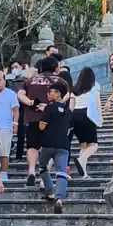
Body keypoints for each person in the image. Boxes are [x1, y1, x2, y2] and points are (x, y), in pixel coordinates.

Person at [33, 72, 73, 213]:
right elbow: (69, 129)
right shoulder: (68, 111)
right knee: (61, 172)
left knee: (43, 167)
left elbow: (42, 126)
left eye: (51, 92)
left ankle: (50, 192)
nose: (48, 94)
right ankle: (60, 198)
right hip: (63, 145)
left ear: (58, 94)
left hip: (48, 144)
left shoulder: (49, 107)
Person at [70, 66, 102, 179]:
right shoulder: (95, 85)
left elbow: (71, 106)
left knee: (83, 145)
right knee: (93, 145)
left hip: (75, 116)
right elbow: (97, 102)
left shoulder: (74, 88)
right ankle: (81, 159)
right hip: (87, 114)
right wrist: (100, 116)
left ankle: (84, 173)